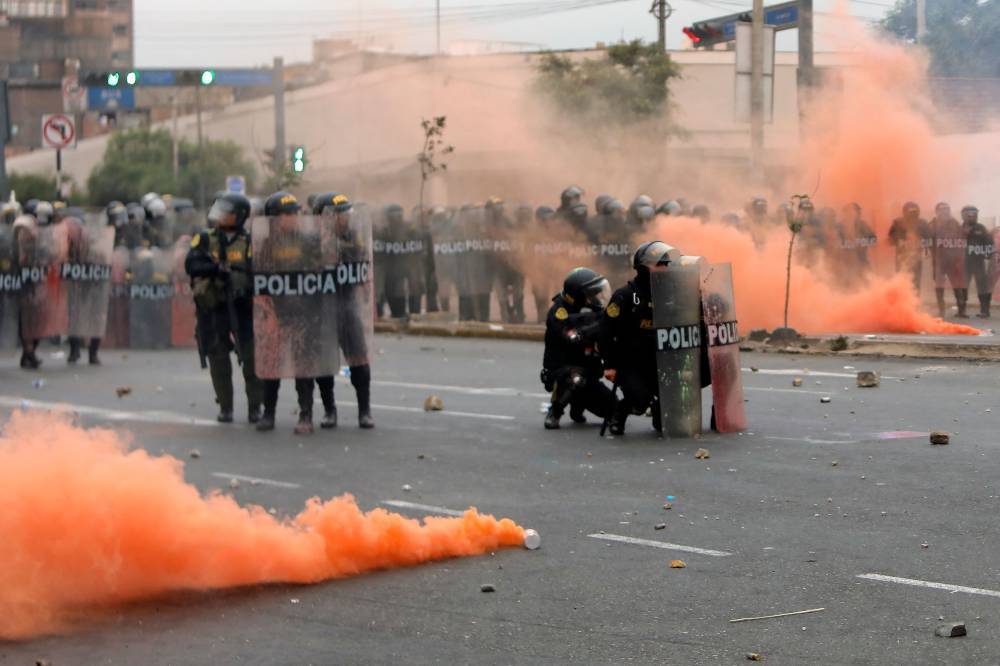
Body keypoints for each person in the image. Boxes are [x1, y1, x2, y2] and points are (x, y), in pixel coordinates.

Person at [185, 193, 262, 424]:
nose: (221, 216)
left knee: (252, 358)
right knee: (218, 357)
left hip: (243, 307)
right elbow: (192, 264)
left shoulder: (250, 241)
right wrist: (216, 269)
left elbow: (260, 269)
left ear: (240, 216)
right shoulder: (205, 239)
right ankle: (226, 407)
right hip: (214, 308)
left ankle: (255, 408)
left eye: (227, 212)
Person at [253, 191, 323, 433]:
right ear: (273, 218)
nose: (292, 218)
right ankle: (268, 413)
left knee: (303, 365)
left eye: (294, 213)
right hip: (274, 311)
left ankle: (306, 415)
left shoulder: (307, 241)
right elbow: (257, 276)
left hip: (302, 311)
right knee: (271, 363)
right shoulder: (263, 244)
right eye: (286, 214)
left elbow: (319, 271)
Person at [599, 241, 681, 436]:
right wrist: (609, 365)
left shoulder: (671, 294)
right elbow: (606, 332)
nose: (665, 268)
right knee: (639, 400)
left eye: (667, 264)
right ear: (643, 266)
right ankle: (620, 412)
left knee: (669, 408)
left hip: (659, 360)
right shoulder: (625, 296)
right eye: (660, 264)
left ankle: (659, 412)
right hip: (630, 363)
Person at [310, 192, 376, 429]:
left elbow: (360, 259)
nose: (345, 218)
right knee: (324, 363)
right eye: (340, 215)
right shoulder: (310, 240)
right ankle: (330, 410)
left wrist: (339, 248)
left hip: (347, 305)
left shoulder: (353, 236)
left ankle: (364, 411)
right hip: (321, 308)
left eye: (346, 214)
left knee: (358, 358)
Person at [541, 267, 615, 429]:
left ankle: (578, 407)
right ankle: (555, 411)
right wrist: (596, 326)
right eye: (592, 294)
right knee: (576, 378)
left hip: (589, 371)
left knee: (614, 409)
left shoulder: (595, 310)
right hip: (562, 369)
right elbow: (572, 336)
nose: (598, 297)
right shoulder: (558, 312)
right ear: (579, 295)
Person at [927, 202, 967, 317]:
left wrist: (959, 257)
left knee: (957, 284)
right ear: (937, 212)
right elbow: (928, 240)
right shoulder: (932, 225)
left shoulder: (955, 223)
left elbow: (962, 238)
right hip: (939, 261)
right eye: (942, 209)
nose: (945, 211)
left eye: (947, 209)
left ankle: (961, 310)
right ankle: (941, 310)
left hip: (953, 260)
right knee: (939, 285)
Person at [888, 202, 929, 294]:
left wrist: (919, 242)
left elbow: (929, 238)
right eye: (910, 212)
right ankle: (903, 300)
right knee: (901, 280)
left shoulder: (922, 223)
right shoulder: (897, 223)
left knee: (916, 281)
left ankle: (914, 300)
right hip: (902, 258)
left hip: (916, 258)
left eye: (914, 212)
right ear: (905, 212)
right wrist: (901, 241)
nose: (912, 215)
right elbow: (890, 240)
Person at [962, 205, 994, 318]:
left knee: (982, 286)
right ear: (964, 215)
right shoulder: (959, 228)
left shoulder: (981, 228)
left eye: (974, 214)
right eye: (969, 214)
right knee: (963, 286)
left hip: (978, 262)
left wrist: (988, 254)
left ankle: (985, 311)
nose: (972, 216)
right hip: (964, 263)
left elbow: (989, 242)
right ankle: (962, 310)